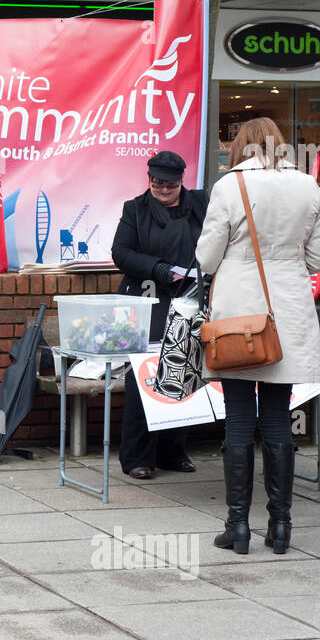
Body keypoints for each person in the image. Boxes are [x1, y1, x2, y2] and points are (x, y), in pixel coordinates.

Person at [196, 117, 320, 556]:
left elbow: (207, 256)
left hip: (238, 311)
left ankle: (237, 526)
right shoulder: (308, 187)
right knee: (277, 418)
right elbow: (318, 259)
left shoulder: (229, 186)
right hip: (287, 310)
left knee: (237, 418)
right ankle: (281, 525)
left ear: (240, 146)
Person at [112, 150, 209, 480]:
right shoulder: (135, 209)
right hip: (147, 300)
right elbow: (121, 253)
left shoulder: (201, 204)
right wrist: (160, 269)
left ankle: (173, 451)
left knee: (183, 371)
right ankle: (137, 456)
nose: (163, 190)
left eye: (169, 184)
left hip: (189, 298)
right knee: (144, 375)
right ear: (148, 179)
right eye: (156, 183)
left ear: (182, 180)